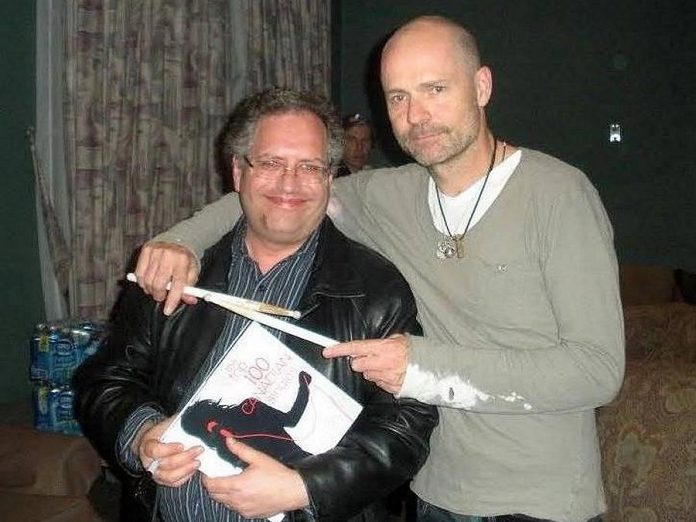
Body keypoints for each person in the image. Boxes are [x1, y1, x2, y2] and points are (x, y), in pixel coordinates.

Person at [134, 15, 625, 522]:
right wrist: (181, 241)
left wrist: (420, 367)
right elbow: (285, 192)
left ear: (481, 86)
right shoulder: (389, 194)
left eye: (435, 88)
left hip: (541, 502)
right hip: (435, 492)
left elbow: (596, 371)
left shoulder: (558, 195)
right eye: (397, 97)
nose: (417, 115)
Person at [73, 88, 438, 522]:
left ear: (328, 179)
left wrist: (305, 487)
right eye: (270, 163)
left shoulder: (375, 290)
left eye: (309, 167)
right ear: (237, 172)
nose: (289, 183)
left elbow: (406, 424)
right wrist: (139, 435)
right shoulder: (175, 273)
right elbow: (106, 379)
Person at [335, 113, 373, 177]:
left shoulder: (374, 175)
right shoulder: (331, 178)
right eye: (352, 140)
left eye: (365, 140)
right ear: (339, 142)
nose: (359, 147)